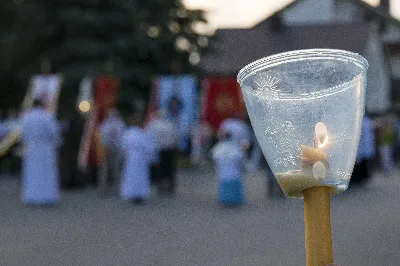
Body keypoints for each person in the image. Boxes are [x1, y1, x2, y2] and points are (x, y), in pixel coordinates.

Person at [20, 99, 60, 205]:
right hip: (45, 147)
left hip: (31, 148)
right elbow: (54, 132)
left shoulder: (27, 117)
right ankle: (47, 197)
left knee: (32, 173)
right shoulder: (47, 116)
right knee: (45, 173)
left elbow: (23, 134)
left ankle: (31, 197)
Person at [120, 109, 157, 204]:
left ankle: (139, 194)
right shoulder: (131, 132)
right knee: (132, 176)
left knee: (140, 177)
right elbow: (124, 146)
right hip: (134, 158)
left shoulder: (142, 133)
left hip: (139, 158)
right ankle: (132, 194)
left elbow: (149, 146)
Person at [146, 110, 179, 196]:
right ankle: (165, 186)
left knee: (163, 169)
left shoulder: (157, 125)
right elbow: (175, 137)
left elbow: (174, 136)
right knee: (165, 169)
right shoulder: (167, 124)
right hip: (165, 149)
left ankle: (164, 186)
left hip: (163, 150)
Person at [211, 131, 245, 207]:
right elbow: (240, 158)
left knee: (224, 186)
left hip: (223, 172)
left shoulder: (219, 147)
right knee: (233, 185)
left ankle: (224, 200)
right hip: (233, 171)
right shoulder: (235, 147)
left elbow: (215, 159)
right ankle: (234, 201)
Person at [98, 108, 125, 195]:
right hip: (106, 148)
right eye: (111, 114)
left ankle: (118, 188)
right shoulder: (104, 125)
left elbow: (122, 137)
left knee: (116, 169)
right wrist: (105, 146)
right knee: (104, 169)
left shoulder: (120, 124)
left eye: (114, 114)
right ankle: (103, 188)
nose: (112, 116)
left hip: (116, 148)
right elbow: (101, 136)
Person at [351, 115, 376, 185]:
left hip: (363, 146)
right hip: (362, 146)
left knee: (362, 163)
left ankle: (361, 178)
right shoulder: (365, 121)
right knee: (359, 163)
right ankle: (359, 178)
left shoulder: (365, 121)